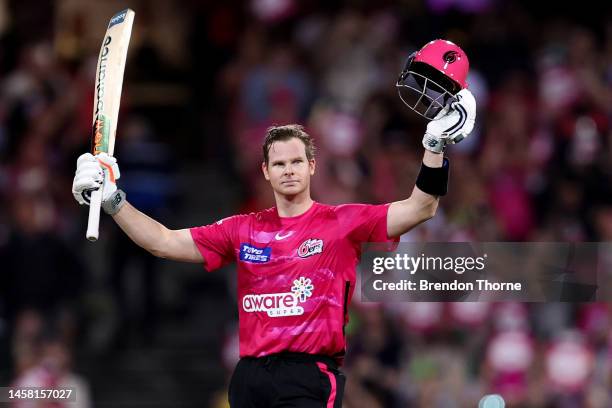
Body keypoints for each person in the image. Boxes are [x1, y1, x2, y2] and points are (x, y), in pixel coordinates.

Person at [72, 39, 476, 407]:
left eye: (296, 161)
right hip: (249, 379)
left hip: (307, 377)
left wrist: (434, 146)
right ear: (265, 171)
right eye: (279, 163)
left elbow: (421, 207)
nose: (288, 170)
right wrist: (112, 199)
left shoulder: (342, 222)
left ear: (312, 166)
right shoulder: (241, 229)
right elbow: (162, 241)